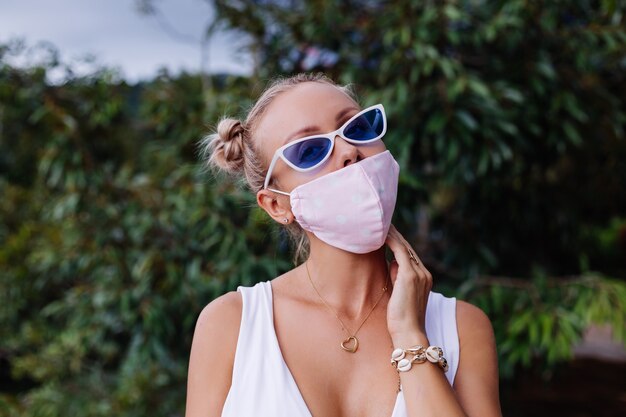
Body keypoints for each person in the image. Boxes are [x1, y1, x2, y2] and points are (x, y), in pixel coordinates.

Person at [186, 73, 502, 417]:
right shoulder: (230, 324)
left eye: (357, 128)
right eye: (309, 151)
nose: (349, 151)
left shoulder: (462, 328)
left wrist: (411, 336)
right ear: (277, 205)